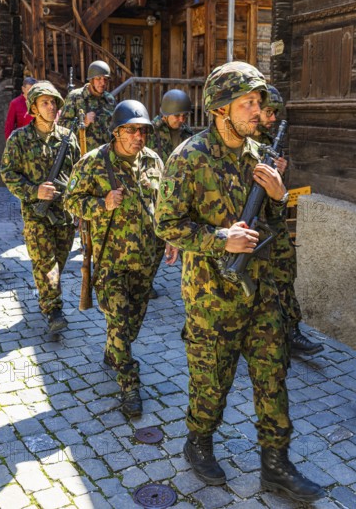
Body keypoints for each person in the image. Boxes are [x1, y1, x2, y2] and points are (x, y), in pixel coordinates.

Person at [154, 62, 324, 503]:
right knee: (212, 380)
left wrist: (278, 195)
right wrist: (218, 239)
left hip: (263, 293)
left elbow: (272, 227)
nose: (256, 111)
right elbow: (167, 225)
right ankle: (199, 440)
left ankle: (276, 464)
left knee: (273, 376)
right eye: (247, 103)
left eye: (258, 102)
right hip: (213, 297)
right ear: (219, 109)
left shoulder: (259, 155)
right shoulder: (188, 157)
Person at [64, 100, 178, 418]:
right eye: (132, 130)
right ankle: (129, 385)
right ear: (116, 132)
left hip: (147, 259)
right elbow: (71, 200)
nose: (138, 136)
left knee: (131, 323)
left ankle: (113, 348)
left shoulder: (155, 161)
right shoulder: (93, 163)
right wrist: (102, 202)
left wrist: (170, 236)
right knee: (119, 320)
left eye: (143, 130)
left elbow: (166, 200)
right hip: (111, 260)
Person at [0, 81, 80, 332]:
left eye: (53, 101)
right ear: (33, 108)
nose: (51, 106)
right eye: (44, 102)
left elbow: (78, 174)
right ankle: (53, 309)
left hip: (64, 215)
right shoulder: (19, 139)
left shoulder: (69, 137)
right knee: (46, 264)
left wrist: (80, 209)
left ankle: (47, 295)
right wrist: (35, 191)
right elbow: (8, 173)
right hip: (37, 215)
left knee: (59, 261)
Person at [254, 85, 323, 356]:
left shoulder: (271, 138)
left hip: (274, 221)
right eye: (268, 112)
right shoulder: (244, 141)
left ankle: (291, 331)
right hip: (250, 224)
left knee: (285, 271)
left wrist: (280, 173)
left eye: (274, 113)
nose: (272, 119)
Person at [146, 89, 194, 298]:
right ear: (165, 113)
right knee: (153, 245)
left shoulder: (188, 135)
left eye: (184, 116)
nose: (181, 120)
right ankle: (144, 283)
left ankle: (191, 285)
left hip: (180, 196)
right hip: (155, 194)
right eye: (177, 116)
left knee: (185, 240)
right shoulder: (149, 132)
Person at [59, 60, 116, 151]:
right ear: (91, 80)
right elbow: (61, 127)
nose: (103, 83)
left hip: (106, 156)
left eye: (105, 79)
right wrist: (83, 123)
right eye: (98, 79)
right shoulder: (75, 97)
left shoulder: (110, 99)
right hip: (83, 157)